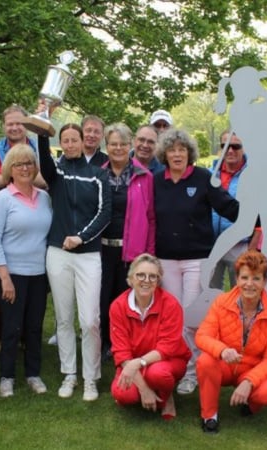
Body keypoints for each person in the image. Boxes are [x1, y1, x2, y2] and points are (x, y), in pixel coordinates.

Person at [153, 128, 239, 395]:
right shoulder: (157, 181)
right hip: (166, 259)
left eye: (182, 149)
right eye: (172, 149)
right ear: (164, 154)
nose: (177, 154)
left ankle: (192, 373)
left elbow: (228, 206)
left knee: (191, 317)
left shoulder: (203, 177)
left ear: (189, 153)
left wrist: (260, 218)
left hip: (197, 259)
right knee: (173, 318)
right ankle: (176, 366)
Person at [37, 122, 111, 401]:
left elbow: (105, 214)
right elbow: (44, 158)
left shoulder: (97, 176)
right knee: (64, 318)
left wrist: (80, 237)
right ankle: (69, 374)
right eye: (64, 140)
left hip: (88, 254)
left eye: (73, 140)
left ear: (83, 142)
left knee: (90, 320)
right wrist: (44, 126)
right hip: (57, 253)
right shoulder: (56, 173)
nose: (69, 144)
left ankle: (90, 377)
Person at [0, 145, 53, 397]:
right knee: (11, 328)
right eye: (18, 164)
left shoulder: (44, 197)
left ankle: (33, 374)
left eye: (29, 163)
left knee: (34, 326)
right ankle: (7, 376)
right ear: (9, 170)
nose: (25, 168)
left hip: (38, 274)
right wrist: (4, 278)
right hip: (12, 274)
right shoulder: (2, 199)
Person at [196, 250, 267, 433]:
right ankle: (209, 416)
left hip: (251, 369)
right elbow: (202, 336)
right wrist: (222, 351)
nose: (249, 284)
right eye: (244, 278)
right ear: (236, 279)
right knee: (205, 361)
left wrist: (250, 381)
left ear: (265, 281)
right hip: (225, 365)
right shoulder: (221, 302)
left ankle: (250, 405)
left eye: (256, 278)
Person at [109, 253, 190, 419]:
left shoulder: (171, 304)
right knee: (124, 396)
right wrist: (144, 389)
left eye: (153, 276)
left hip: (167, 361)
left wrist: (138, 363)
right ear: (130, 279)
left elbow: (167, 348)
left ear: (158, 281)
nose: (146, 280)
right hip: (131, 361)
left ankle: (167, 398)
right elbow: (121, 351)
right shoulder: (118, 306)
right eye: (140, 275)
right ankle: (146, 391)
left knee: (158, 374)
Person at [99, 123, 155, 360]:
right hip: (101, 249)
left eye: (123, 144)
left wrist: (148, 255)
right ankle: (103, 345)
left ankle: (125, 347)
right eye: (113, 144)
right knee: (102, 302)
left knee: (127, 303)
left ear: (130, 145)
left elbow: (151, 217)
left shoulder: (144, 176)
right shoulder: (98, 174)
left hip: (131, 252)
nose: (118, 148)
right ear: (107, 146)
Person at [209, 131, 261, 289]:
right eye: (225, 146)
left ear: (245, 148)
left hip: (240, 245)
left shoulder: (254, 176)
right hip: (211, 244)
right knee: (210, 293)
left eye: (236, 146)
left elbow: (260, 212)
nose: (230, 150)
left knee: (240, 293)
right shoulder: (210, 174)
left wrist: (252, 247)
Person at [0, 104, 38, 189]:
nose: (14, 128)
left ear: (27, 125)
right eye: (10, 124)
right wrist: (32, 177)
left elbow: (46, 179)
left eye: (19, 123)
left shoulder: (39, 148)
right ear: (3, 126)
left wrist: (5, 179)